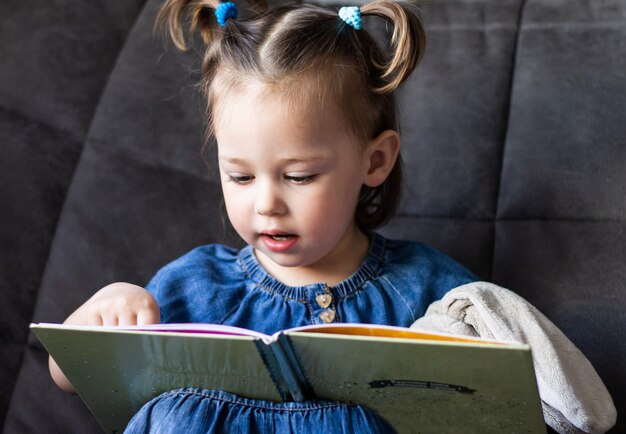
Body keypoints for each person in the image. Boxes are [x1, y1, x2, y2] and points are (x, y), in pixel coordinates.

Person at [48, 0, 480, 432]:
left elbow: (501, 386)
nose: (266, 203)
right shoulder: (197, 287)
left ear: (375, 161)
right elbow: (70, 376)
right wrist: (101, 315)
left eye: (298, 176)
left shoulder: (423, 289)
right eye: (240, 176)